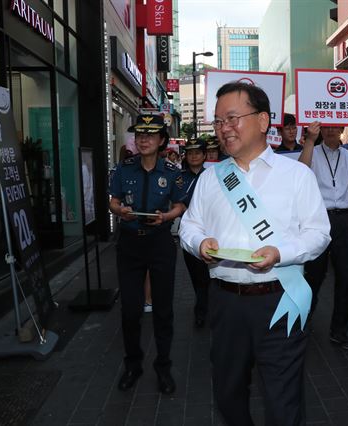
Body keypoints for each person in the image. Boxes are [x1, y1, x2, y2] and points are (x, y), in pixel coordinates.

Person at [179, 82, 330, 425]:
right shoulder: (211, 178)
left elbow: (319, 234)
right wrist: (199, 244)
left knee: (283, 399)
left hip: (279, 300)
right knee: (229, 393)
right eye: (218, 122)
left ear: (263, 121)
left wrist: (281, 252)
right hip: (225, 302)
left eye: (232, 118)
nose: (224, 129)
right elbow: (190, 226)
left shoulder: (296, 176)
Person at [108, 113, 186, 393]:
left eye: (150, 135)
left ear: (162, 140)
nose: (143, 139)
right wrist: (120, 211)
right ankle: (133, 365)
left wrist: (166, 217)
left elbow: (180, 206)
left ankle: (163, 367)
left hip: (160, 244)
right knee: (130, 311)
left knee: (163, 311)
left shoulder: (172, 172)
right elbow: (113, 202)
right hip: (129, 246)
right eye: (139, 135)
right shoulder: (124, 169)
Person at [298, 122, 348, 351]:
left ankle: (340, 331)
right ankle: (302, 323)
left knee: (345, 277)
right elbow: (302, 171)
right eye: (326, 127)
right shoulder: (313, 151)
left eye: (335, 127)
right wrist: (310, 140)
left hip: (345, 219)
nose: (330, 131)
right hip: (318, 218)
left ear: (341, 130)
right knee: (313, 275)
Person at [179, 137, 210, 328]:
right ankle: (202, 308)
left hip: (210, 232)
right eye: (190, 153)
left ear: (204, 155)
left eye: (198, 152)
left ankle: (205, 309)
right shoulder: (179, 178)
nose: (194, 156)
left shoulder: (213, 176)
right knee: (196, 276)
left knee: (208, 276)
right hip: (189, 234)